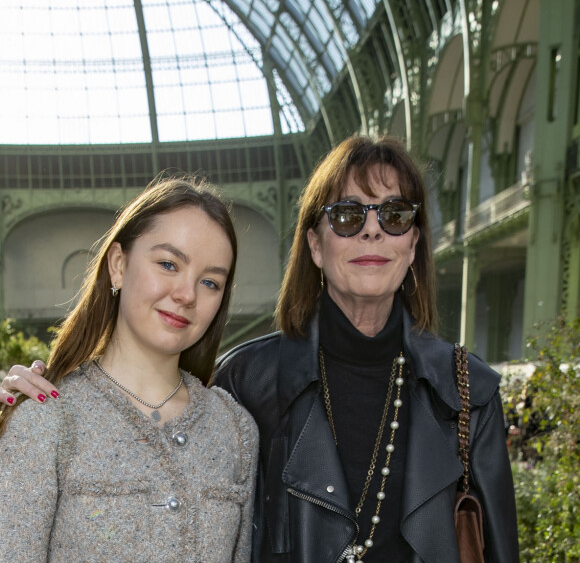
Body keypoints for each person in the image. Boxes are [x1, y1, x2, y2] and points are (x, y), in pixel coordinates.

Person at [1, 135, 518, 562]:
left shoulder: (465, 391)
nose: (372, 233)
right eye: (346, 217)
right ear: (315, 244)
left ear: (414, 243)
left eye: (395, 216)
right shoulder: (250, 381)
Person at [0, 177, 258, 562]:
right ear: (118, 265)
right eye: (168, 264)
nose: (187, 294)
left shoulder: (235, 430)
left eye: (210, 282)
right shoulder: (46, 418)